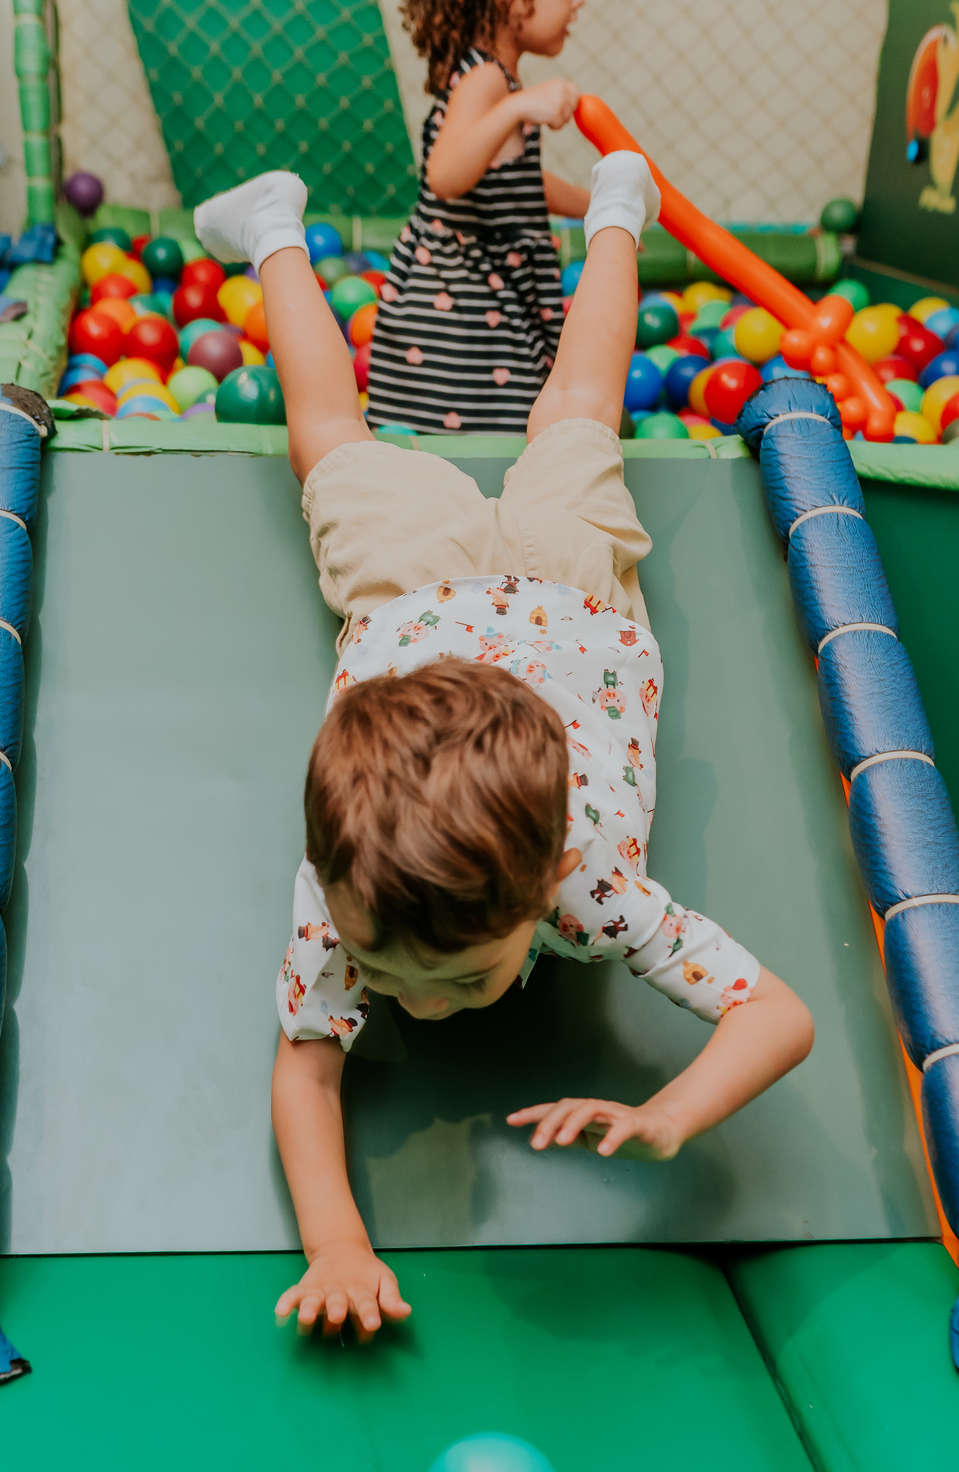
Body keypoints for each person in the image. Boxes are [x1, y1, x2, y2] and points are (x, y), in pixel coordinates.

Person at [193, 154, 815, 1342]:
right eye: (396, 976)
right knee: (544, 418)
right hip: (492, 596)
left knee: (380, 430)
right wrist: (338, 1240)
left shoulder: (591, 885)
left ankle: (611, 213)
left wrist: (675, 1111)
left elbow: (777, 1016)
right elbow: (305, 1066)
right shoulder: (348, 895)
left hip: (508, 595)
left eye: (463, 978)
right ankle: (283, 223)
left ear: (543, 889)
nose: (421, 1011)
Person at [365, 0, 592, 434]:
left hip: (477, 302)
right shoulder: (487, 79)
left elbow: (512, 178)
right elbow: (446, 175)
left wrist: (593, 204)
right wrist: (518, 107)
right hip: (463, 314)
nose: (578, 2)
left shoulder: (493, 77)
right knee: (492, 435)